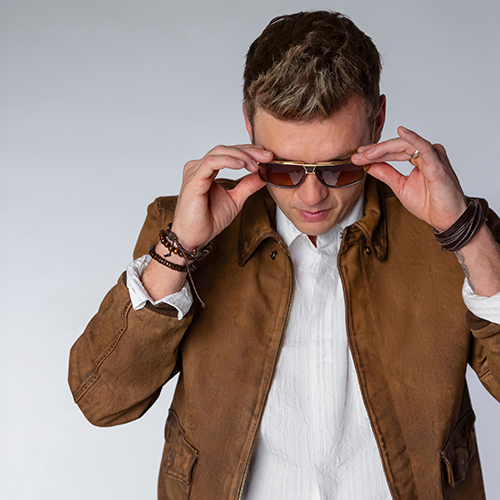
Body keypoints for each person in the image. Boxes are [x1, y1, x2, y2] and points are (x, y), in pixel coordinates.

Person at [69, 10, 500, 500]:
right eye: (285, 170)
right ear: (249, 126)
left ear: (377, 122)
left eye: (337, 168)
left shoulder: (451, 232)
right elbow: (101, 401)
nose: (311, 196)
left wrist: (464, 234)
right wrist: (180, 250)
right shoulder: (183, 230)